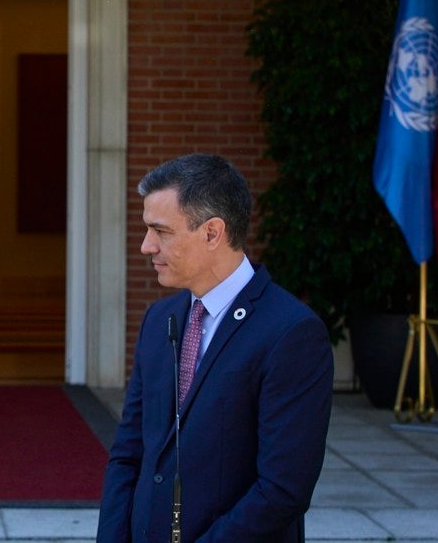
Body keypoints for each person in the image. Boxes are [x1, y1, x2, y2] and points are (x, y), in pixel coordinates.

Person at [96, 153, 333, 542]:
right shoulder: (159, 321)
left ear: (212, 232)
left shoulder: (292, 333)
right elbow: (128, 455)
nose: (146, 246)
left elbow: (282, 489)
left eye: (161, 231)